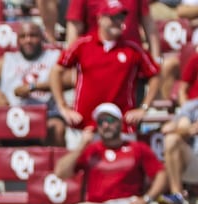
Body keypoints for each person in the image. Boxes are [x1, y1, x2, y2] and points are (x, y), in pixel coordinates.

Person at [49, 0, 161, 130]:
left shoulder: (133, 50)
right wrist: (63, 106)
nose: (117, 22)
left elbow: (155, 73)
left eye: (120, 18)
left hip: (122, 126)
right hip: (85, 124)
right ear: (100, 18)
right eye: (112, 17)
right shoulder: (82, 46)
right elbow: (57, 70)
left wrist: (144, 107)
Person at [0, 22, 66, 147]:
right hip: (12, 115)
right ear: (18, 40)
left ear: (41, 37)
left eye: (33, 35)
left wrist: (32, 87)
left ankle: (56, 165)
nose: (28, 40)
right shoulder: (7, 60)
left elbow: (68, 81)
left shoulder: (54, 57)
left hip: (46, 115)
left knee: (57, 127)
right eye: (23, 37)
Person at [157, 51, 198, 204]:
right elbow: (173, 128)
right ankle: (177, 195)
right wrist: (187, 129)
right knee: (172, 139)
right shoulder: (192, 106)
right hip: (193, 161)